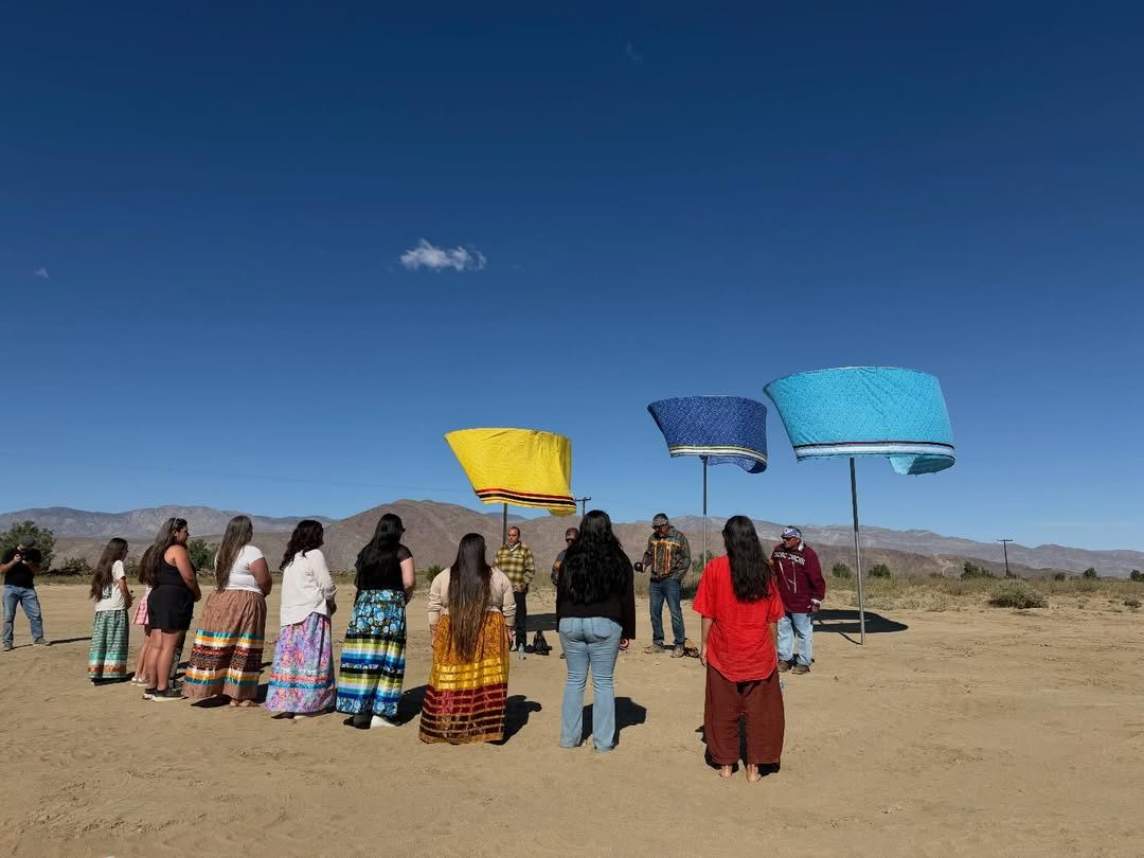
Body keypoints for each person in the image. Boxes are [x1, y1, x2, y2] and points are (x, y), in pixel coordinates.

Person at [694, 516, 787, 782]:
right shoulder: (765, 571)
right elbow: (772, 618)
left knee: (722, 709)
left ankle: (726, 764)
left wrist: (704, 643)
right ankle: (754, 767)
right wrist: (774, 648)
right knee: (761, 713)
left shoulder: (714, 568)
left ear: (728, 539)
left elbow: (708, 613)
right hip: (758, 652)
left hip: (724, 650)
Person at [420, 533, 515, 744]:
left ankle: (450, 725)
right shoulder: (498, 577)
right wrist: (509, 630)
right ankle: (483, 726)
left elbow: (434, 606)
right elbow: (509, 607)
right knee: (484, 677)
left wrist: (434, 632)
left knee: (453, 676)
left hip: (452, 629)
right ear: (482, 551)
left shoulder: (443, 576)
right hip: (489, 630)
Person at [556, 510, 635, 753]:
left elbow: (560, 592)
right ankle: (603, 742)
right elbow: (626, 597)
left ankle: (569, 739)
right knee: (603, 682)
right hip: (605, 623)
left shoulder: (570, 556)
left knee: (574, 680)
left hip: (570, 622)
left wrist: (560, 622)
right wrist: (627, 631)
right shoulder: (618, 558)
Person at [336, 513, 415, 729]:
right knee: (388, 658)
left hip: (363, 609)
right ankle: (382, 713)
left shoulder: (366, 552)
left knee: (363, 658)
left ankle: (359, 710)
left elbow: (357, 583)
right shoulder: (401, 552)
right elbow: (409, 582)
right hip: (390, 610)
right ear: (397, 531)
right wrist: (403, 599)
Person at [184, 515, 270, 705]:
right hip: (245, 602)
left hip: (220, 600)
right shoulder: (251, 552)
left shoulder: (221, 553)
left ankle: (220, 689)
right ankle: (240, 695)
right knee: (244, 645)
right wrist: (260, 594)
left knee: (222, 644)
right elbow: (264, 580)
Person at [265, 520, 338, 719]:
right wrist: (331, 602)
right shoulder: (314, 555)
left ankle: (289, 704)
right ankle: (310, 705)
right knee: (312, 660)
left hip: (290, 617)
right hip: (311, 614)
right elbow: (327, 585)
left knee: (291, 662)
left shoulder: (292, 559)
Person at [141, 517, 201, 701]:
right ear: (175, 532)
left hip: (157, 597)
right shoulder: (177, 549)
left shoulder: (156, 551)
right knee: (169, 646)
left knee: (156, 645)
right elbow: (188, 577)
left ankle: (151, 687)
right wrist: (196, 593)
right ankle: (163, 688)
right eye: (185, 531)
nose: (188, 535)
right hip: (173, 599)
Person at [771, 526, 825, 675]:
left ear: (797, 539)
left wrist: (816, 599)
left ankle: (803, 662)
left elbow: (817, 578)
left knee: (804, 633)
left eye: (788, 539)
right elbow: (773, 571)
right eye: (783, 538)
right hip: (783, 601)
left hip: (803, 602)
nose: (785, 541)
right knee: (783, 631)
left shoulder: (808, 554)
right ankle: (785, 660)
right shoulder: (778, 551)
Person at [640, 513, 690, 657]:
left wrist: (676, 577)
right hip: (655, 581)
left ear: (665, 525)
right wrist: (644, 564)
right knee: (654, 612)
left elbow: (686, 559)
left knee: (675, 613)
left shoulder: (679, 537)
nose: (656, 530)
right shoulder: (653, 538)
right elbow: (648, 554)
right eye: (654, 527)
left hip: (671, 581)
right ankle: (658, 643)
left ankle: (679, 645)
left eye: (658, 527)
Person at [88, 538, 133, 682]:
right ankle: (112, 673)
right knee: (116, 641)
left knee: (100, 641)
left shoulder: (103, 565)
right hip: (115, 609)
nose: (127, 552)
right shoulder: (118, 563)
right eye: (125, 549)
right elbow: (122, 584)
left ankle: (96, 672)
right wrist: (128, 599)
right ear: (119, 551)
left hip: (101, 609)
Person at [495, 525, 535, 652]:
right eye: (509, 535)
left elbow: (530, 570)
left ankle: (520, 644)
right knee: (501, 618)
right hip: (502, 592)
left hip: (517, 591)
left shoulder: (525, 550)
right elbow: (495, 569)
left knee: (520, 618)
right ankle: (504, 644)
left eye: (514, 535)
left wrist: (523, 584)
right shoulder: (501, 550)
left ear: (518, 536)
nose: (511, 537)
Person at [2, 545, 47, 650]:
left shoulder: (34, 553)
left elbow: (37, 571)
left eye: (27, 547)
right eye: (22, 546)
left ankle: (38, 638)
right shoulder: (10, 552)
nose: (24, 548)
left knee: (35, 615)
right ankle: (7, 642)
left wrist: (29, 564)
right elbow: (2, 569)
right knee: (8, 616)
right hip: (11, 588)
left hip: (28, 589)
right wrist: (13, 561)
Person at [130, 548, 154, 685]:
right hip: (154, 603)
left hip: (146, 601)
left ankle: (138, 674)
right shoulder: (156, 571)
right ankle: (144, 674)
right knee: (152, 642)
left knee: (147, 641)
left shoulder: (147, 570)